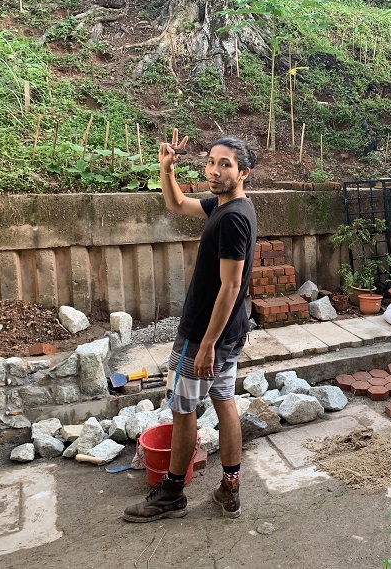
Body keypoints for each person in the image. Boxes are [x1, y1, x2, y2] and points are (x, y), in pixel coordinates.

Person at [124, 129, 257, 522]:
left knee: (184, 410)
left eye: (225, 165)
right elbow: (178, 203)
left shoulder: (232, 219)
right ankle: (229, 489)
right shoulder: (227, 205)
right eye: (210, 162)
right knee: (224, 400)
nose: (214, 171)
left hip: (204, 335)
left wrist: (207, 344)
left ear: (243, 172)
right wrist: (167, 170)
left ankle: (171, 494)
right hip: (228, 332)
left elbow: (231, 285)